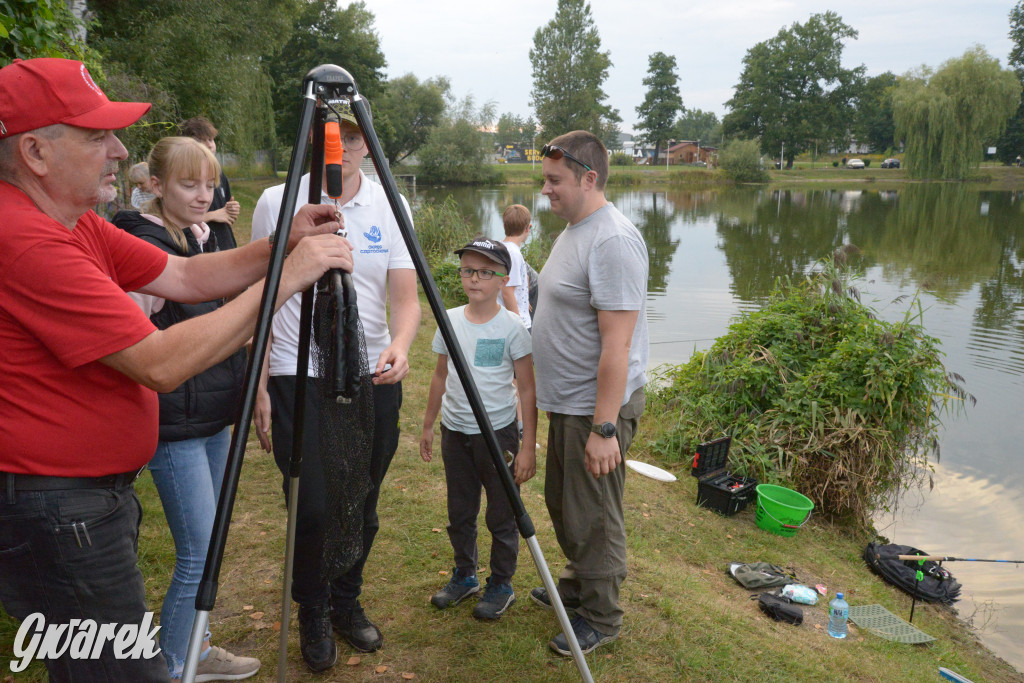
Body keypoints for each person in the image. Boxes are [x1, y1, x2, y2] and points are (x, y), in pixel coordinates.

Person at [0, 57, 352, 682]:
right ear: (34, 151)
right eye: (95, 135)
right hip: (58, 508)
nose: (117, 150)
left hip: (82, 499)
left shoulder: (73, 222)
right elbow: (158, 364)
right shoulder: (23, 237)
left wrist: (283, 246)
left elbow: (186, 275)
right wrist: (287, 282)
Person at [251, 104, 420, 672]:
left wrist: (401, 343)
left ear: (367, 145)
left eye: (350, 136)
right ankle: (313, 609)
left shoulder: (392, 207)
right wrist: (257, 386)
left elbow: (405, 298)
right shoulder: (278, 202)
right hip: (296, 371)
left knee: (362, 502)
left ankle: (347, 601)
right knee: (316, 504)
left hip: (370, 372)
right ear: (311, 140)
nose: (340, 146)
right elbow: (255, 295)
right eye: (329, 135)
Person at [112, 137, 256, 682]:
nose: (203, 197)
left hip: (212, 415)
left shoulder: (205, 234)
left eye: (209, 185)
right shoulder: (143, 244)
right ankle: (174, 666)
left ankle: (198, 647)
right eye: (188, 185)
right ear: (155, 186)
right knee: (197, 551)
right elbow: (135, 339)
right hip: (175, 425)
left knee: (212, 540)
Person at [529, 130, 649, 656]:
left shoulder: (613, 240)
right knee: (564, 500)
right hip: (568, 401)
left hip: (594, 408)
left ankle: (602, 615)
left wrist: (605, 429)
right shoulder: (576, 229)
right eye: (545, 180)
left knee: (594, 513)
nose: (546, 191)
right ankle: (580, 582)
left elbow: (617, 346)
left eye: (555, 182)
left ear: (589, 178)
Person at [420, 238, 537, 621]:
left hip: (498, 435)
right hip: (455, 432)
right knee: (460, 510)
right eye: (469, 270)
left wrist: (527, 446)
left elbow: (527, 388)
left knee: (502, 514)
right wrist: (428, 424)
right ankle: (465, 575)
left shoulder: (513, 328)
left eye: (486, 272)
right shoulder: (449, 320)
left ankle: (501, 583)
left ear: (504, 280)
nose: (475, 279)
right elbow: (440, 375)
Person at [180, 116, 240, 250]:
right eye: (202, 141)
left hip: (226, 246)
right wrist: (213, 215)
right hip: (200, 250)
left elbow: (225, 213)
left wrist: (231, 210)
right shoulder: (182, 178)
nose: (209, 145)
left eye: (211, 139)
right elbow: (176, 222)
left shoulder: (219, 173)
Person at [498, 204, 533, 331]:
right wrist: (518, 325)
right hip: (517, 323)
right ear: (527, 229)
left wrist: (525, 300)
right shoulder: (514, 254)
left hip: (504, 318)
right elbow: (507, 292)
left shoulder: (501, 248)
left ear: (504, 226)